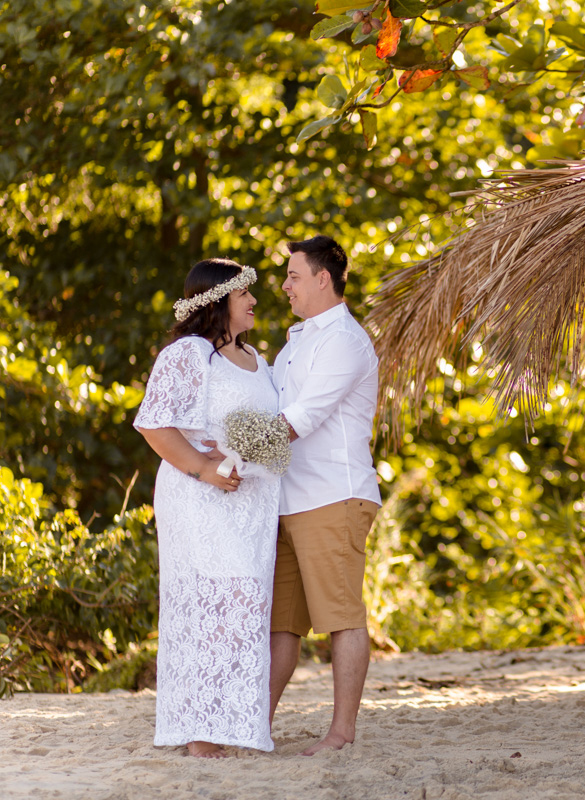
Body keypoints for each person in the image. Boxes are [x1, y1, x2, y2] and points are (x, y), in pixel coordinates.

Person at [134, 258, 279, 758]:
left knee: (244, 607)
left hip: (251, 505)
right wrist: (203, 468)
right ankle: (200, 735)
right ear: (217, 300)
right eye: (244, 295)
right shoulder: (189, 354)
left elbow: (267, 431)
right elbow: (155, 425)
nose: (255, 301)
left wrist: (250, 456)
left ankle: (227, 726)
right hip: (199, 501)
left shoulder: (257, 360)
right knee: (210, 606)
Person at [268, 235, 381, 756]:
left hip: (334, 496)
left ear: (322, 279)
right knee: (281, 626)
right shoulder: (295, 342)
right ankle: (252, 725)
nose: (284, 285)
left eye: (293, 275)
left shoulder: (345, 341)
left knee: (341, 619)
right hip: (288, 500)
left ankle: (341, 734)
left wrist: (222, 460)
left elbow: (300, 419)